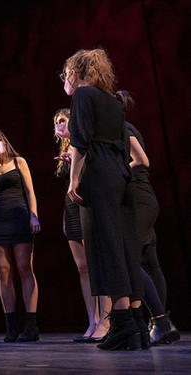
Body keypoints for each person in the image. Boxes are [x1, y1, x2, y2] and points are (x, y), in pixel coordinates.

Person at [60, 48, 144, 350]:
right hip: (121, 176)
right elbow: (122, 142)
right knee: (125, 245)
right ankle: (135, 323)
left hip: (99, 175)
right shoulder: (113, 100)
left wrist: (73, 179)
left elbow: (80, 142)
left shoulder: (83, 96)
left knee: (106, 245)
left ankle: (121, 321)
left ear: (75, 72)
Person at [115, 90, 180, 345]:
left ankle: (159, 321)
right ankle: (160, 324)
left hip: (139, 201)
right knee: (150, 263)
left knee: (129, 260)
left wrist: (117, 169)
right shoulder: (126, 127)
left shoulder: (123, 128)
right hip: (145, 199)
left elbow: (142, 160)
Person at [53, 109, 111, 343]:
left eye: (62, 121)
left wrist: (75, 161)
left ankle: (106, 322)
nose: (58, 125)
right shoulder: (65, 150)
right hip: (71, 211)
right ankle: (92, 320)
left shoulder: (83, 144)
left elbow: (95, 174)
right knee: (83, 268)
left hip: (88, 207)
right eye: (56, 122)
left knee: (97, 266)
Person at [0, 130, 41, 342]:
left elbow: (30, 191)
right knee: (3, 272)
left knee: (25, 268)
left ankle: (31, 326)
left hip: (20, 217)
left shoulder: (18, 162)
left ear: (5, 141)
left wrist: (34, 217)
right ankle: (11, 326)